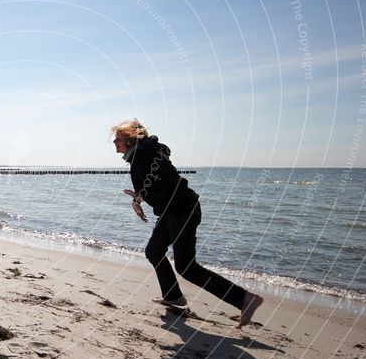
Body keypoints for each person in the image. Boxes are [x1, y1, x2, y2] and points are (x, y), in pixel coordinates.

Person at [111, 119, 263, 329]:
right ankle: (173, 296)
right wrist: (139, 197)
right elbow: (161, 185)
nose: (114, 142)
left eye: (117, 138)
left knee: (186, 267)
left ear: (129, 140)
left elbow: (166, 186)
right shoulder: (146, 154)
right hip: (175, 210)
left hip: (182, 211)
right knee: (154, 251)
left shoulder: (141, 158)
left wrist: (139, 200)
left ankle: (245, 299)